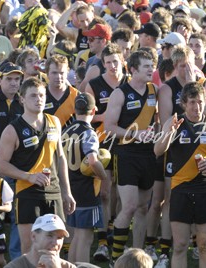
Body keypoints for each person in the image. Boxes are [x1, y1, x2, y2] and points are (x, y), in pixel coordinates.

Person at [154, 81, 206, 268]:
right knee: (180, 246)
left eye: (200, 102)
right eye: (192, 102)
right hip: (181, 190)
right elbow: (157, 151)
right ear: (184, 104)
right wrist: (169, 134)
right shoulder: (174, 123)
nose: (197, 107)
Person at [0, 77, 76, 254]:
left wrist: (66, 191)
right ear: (22, 99)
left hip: (53, 192)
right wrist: (29, 176)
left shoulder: (54, 122)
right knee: (30, 249)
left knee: (55, 248)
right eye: (33, 96)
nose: (39, 99)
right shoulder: (12, 129)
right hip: (27, 193)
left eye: (41, 95)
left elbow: (61, 157)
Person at [105, 51, 158, 266]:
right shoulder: (120, 93)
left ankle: (137, 257)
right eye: (146, 66)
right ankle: (117, 258)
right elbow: (109, 127)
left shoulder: (154, 90)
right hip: (126, 154)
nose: (150, 70)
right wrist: (135, 134)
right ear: (133, 69)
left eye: (151, 66)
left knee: (143, 208)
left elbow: (158, 118)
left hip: (148, 154)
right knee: (128, 206)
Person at [85, 43, 128, 262]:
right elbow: (85, 115)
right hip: (103, 142)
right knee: (104, 190)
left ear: (123, 61)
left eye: (116, 61)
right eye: (108, 62)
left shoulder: (131, 82)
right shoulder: (94, 84)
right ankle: (102, 240)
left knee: (123, 192)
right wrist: (108, 117)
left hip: (127, 142)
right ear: (103, 64)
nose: (112, 66)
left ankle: (116, 230)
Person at [62, 93, 108, 263]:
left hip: (70, 187)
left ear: (75, 110)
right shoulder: (89, 132)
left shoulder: (66, 129)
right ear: (94, 110)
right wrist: (103, 177)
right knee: (86, 238)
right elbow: (93, 161)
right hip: (86, 189)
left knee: (76, 236)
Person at [0, 63, 23, 260]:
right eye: (9, 79)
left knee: (18, 215)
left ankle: (17, 258)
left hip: (18, 168)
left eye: (17, 79)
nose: (13, 83)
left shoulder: (24, 101)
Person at [4, 213, 77, 268]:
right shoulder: (15, 266)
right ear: (33, 237)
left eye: (60, 238)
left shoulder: (68, 266)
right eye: (50, 235)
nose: (56, 242)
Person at [44, 54, 78, 128]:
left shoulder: (76, 95)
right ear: (47, 73)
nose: (58, 77)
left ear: (67, 73)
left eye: (62, 73)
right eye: (54, 73)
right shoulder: (40, 95)